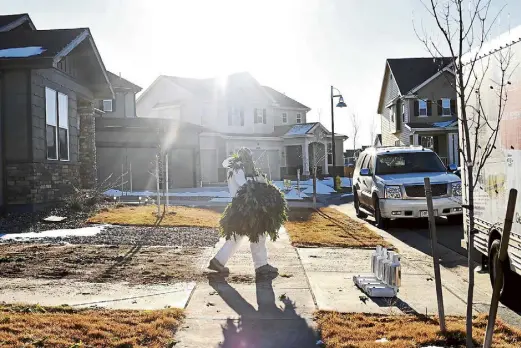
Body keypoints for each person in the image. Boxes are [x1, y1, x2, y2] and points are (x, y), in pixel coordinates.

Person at [208, 148, 279, 276]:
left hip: (240, 207)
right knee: (258, 234)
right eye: (248, 156)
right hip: (246, 207)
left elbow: (247, 181)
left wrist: (259, 178)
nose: (251, 159)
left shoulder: (240, 167)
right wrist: (259, 182)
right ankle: (261, 265)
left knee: (236, 236)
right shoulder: (237, 168)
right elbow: (244, 185)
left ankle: (218, 261)